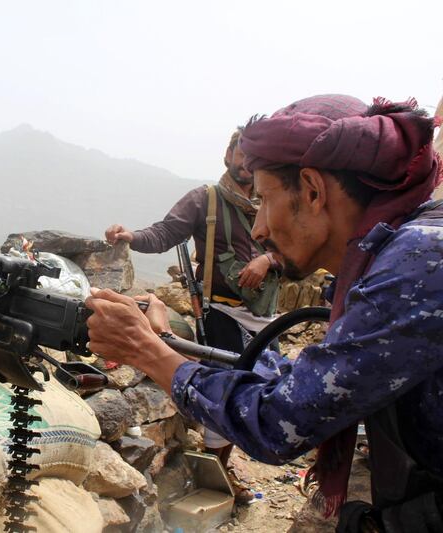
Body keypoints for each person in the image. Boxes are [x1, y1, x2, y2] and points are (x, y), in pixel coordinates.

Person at [87, 94, 443, 532]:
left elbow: (280, 423)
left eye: (265, 199)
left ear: (313, 191)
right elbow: (308, 382)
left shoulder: (420, 263)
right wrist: (169, 343)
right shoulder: (394, 255)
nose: (258, 229)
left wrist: (146, 352)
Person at [104, 128, 281, 497]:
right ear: (228, 155)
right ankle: (218, 473)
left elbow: (293, 251)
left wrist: (267, 259)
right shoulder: (206, 199)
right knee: (228, 387)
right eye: (239, 152)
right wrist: (130, 236)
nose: (245, 162)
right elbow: (165, 233)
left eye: (252, 155)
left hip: (265, 314)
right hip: (222, 312)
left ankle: (236, 459)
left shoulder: (271, 198)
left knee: (267, 386)